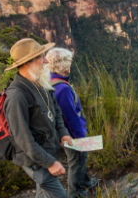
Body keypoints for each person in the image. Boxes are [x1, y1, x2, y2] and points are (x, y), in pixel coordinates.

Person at [3, 38, 73, 198]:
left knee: (43, 194)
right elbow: (23, 139)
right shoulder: (16, 96)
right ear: (28, 62)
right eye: (41, 57)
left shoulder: (40, 83)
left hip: (47, 151)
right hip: (35, 160)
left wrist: (62, 132)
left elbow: (54, 109)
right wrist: (49, 162)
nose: (46, 60)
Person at [45, 48, 98, 197]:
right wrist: (82, 138)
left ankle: (87, 183)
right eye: (69, 62)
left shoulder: (49, 81)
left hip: (60, 133)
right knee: (78, 160)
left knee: (77, 160)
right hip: (71, 134)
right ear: (66, 66)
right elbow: (71, 118)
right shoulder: (62, 89)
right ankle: (75, 192)